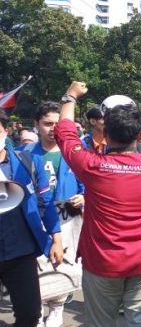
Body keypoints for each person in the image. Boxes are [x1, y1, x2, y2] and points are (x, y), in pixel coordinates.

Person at [54, 81, 141, 326]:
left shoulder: (93, 167)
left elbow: (64, 133)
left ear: (104, 134)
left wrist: (70, 96)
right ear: (140, 135)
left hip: (102, 262)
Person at [20, 102, 85, 327]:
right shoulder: (25, 154)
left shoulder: (73, 152)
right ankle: (35, 309)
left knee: (64, 263)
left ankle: (57, 308)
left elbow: (87, 182)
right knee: (37, 264)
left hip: (68, 217)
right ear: (37, 124)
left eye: (57, 124)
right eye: (47, 124)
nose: (52, 129)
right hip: (36, 218)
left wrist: (83, 197)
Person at [0, 110, 62, 327]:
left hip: (21, 251)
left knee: (30, 314)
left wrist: (56, 237)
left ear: (5, 131)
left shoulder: (26, 161)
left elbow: (45, 202)